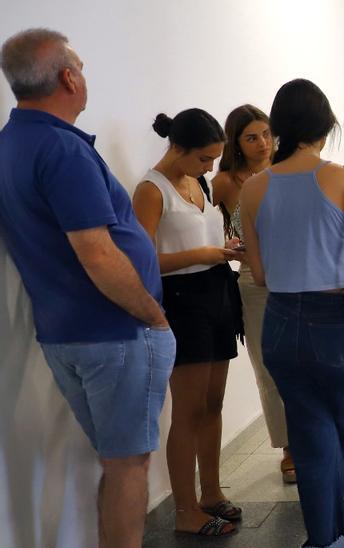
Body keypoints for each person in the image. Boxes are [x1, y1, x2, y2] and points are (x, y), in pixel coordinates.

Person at [0, 28, 173, 548]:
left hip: (66, 332)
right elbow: (96, 254)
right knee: (128, 466)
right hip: (115, 331)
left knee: (118, 460)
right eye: (81, 65)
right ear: (69, 78)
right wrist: (152, 314)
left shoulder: (12, 143)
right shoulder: (61, 149)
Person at [238, 78, 344, 548]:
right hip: (334, 320)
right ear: (325, 126)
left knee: (307, 433)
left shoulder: (254, 188)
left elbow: (257, 274)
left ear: (278, 127)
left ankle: (324, 538)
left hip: (279, 321)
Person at [133, 109, 242, 537]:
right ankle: (185, 509)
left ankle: (211, 491)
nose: (210, 169)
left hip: (217, 291)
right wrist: (204, 255)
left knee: (213, 403)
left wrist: (223, 248)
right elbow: (142, 261)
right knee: (188, 410)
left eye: (215, 160)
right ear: (177, 148)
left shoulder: (196, 182)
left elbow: (202, 238)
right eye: (203, 159)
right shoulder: (151, 189)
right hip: (183, 300)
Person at [210, 104, 295, 483]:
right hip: (253, 282)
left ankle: (310, 438)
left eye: (266, 134)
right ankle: (290, 448)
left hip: (296, 276)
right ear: (236, 143)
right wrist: (221, 243)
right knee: (269, 369)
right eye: (251, 137)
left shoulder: (288, 170)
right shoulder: (226, 181)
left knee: (303, 362)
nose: (262, 143)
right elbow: (207, 228)